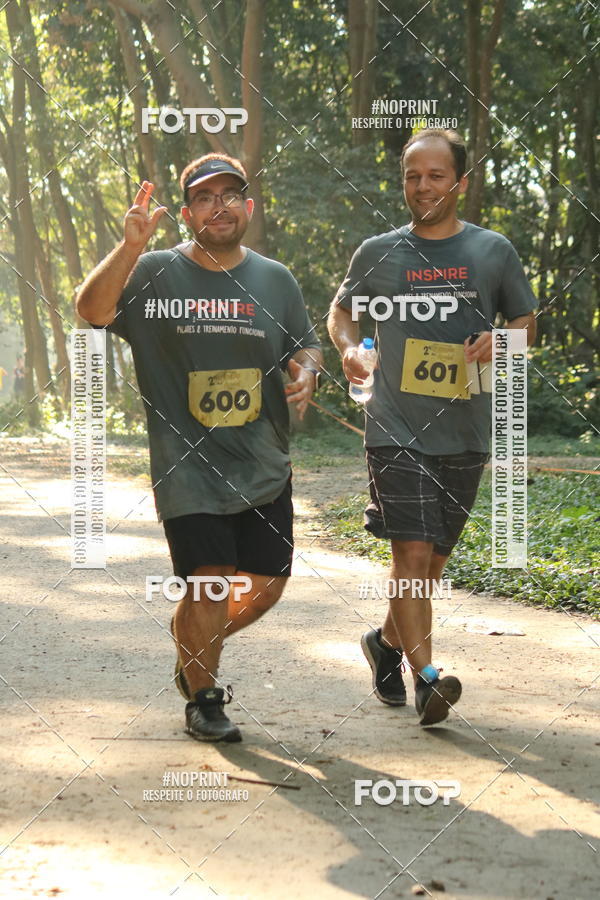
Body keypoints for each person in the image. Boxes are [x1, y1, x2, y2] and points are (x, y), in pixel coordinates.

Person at [77, 153, 322, 742]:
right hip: (186, 467)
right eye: (206, 198)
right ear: (187, 213)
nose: (220, 206)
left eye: (230, 194)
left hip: (263, 461)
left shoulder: (274, 279)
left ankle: (192, 649)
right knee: (210, 581)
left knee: (264, 588)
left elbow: (307, 345)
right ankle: (206, 699)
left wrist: (307, 371)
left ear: (249, 206)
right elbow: (90, 310)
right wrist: (131, 245)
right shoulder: (154, 271)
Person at [328, 128, 536, 726]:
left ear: (460, 182)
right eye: (412, 177)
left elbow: (526, 322)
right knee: (411, 553)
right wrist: (348, 348)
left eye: (436, 176)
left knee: (433, 564)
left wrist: (502, 340)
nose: (423, 187)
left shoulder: (492, 252)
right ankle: (427, 678)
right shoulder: (378, 251)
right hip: (394, 426)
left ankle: (385, 644)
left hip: (467, 428)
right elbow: (343, 311)